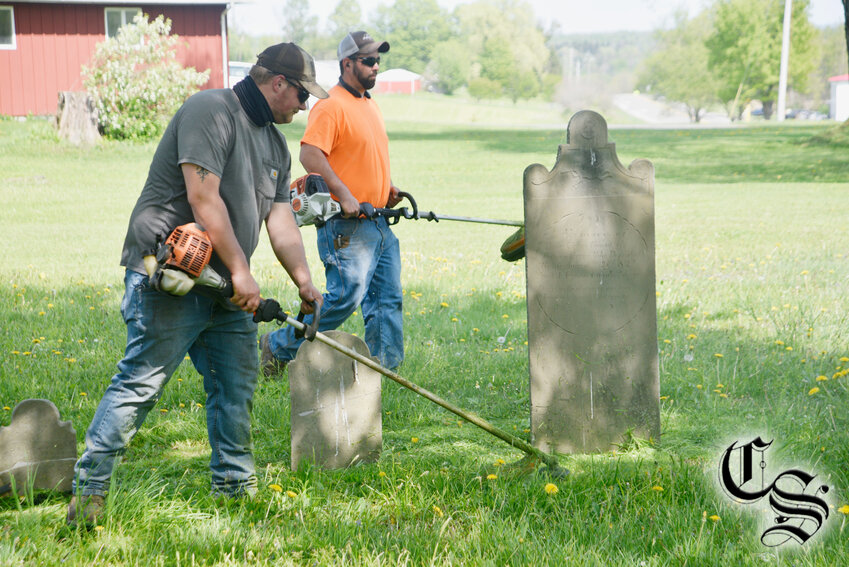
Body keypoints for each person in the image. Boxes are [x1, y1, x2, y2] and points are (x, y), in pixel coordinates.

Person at [67, 42, 327, 528]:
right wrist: (244, 272)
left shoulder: (274, 144)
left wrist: (305, 280)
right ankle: (90, 491)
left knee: (236, 383)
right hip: (171, 274)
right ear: (277, 83)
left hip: (224, 283)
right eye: (301, 94)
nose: (304, 104)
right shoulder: (211, 111)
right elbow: (203, 197)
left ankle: (235, 487)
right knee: (141, 382)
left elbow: (280, 219)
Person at [261, 30, 404, 375]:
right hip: (346, 224)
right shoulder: (331, 105)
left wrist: (386, 188)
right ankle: (277, 347)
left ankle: (386, 369)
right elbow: (311, 153)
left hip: (378, 220)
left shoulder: (368, 104)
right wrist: (345, 194)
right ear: (347, 63)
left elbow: (359, 156)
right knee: (343, 299)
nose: (376, 67)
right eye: (369, 61)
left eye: (378, 61)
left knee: (388, 300)